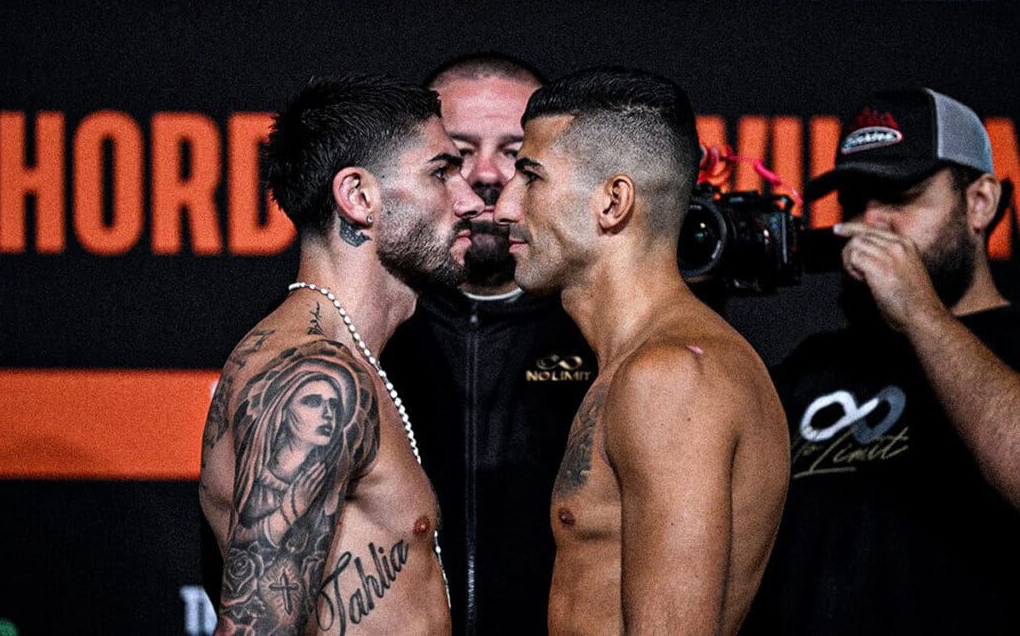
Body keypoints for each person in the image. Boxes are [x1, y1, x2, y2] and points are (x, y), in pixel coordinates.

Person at [493, 66, 790, 635]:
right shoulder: (644, 365)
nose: (505, 206)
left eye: (530, 177)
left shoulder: (672, 375)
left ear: (613, 202)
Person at [198, 73, 484, 635]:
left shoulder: (343, 363)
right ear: (358, 197)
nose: (472, 200)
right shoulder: (316, 380)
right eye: (441, 172)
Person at [742, 88, 1020, 635]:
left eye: (900, 196)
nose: (868, 222)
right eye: (854, 200)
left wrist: (921, 314)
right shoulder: (810, 366)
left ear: (980, 202)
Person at [380, 53, 597, 636]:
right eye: (456, 151)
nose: (485, 174)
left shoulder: (611, 332)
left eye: (515, 152)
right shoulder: (360, 333)